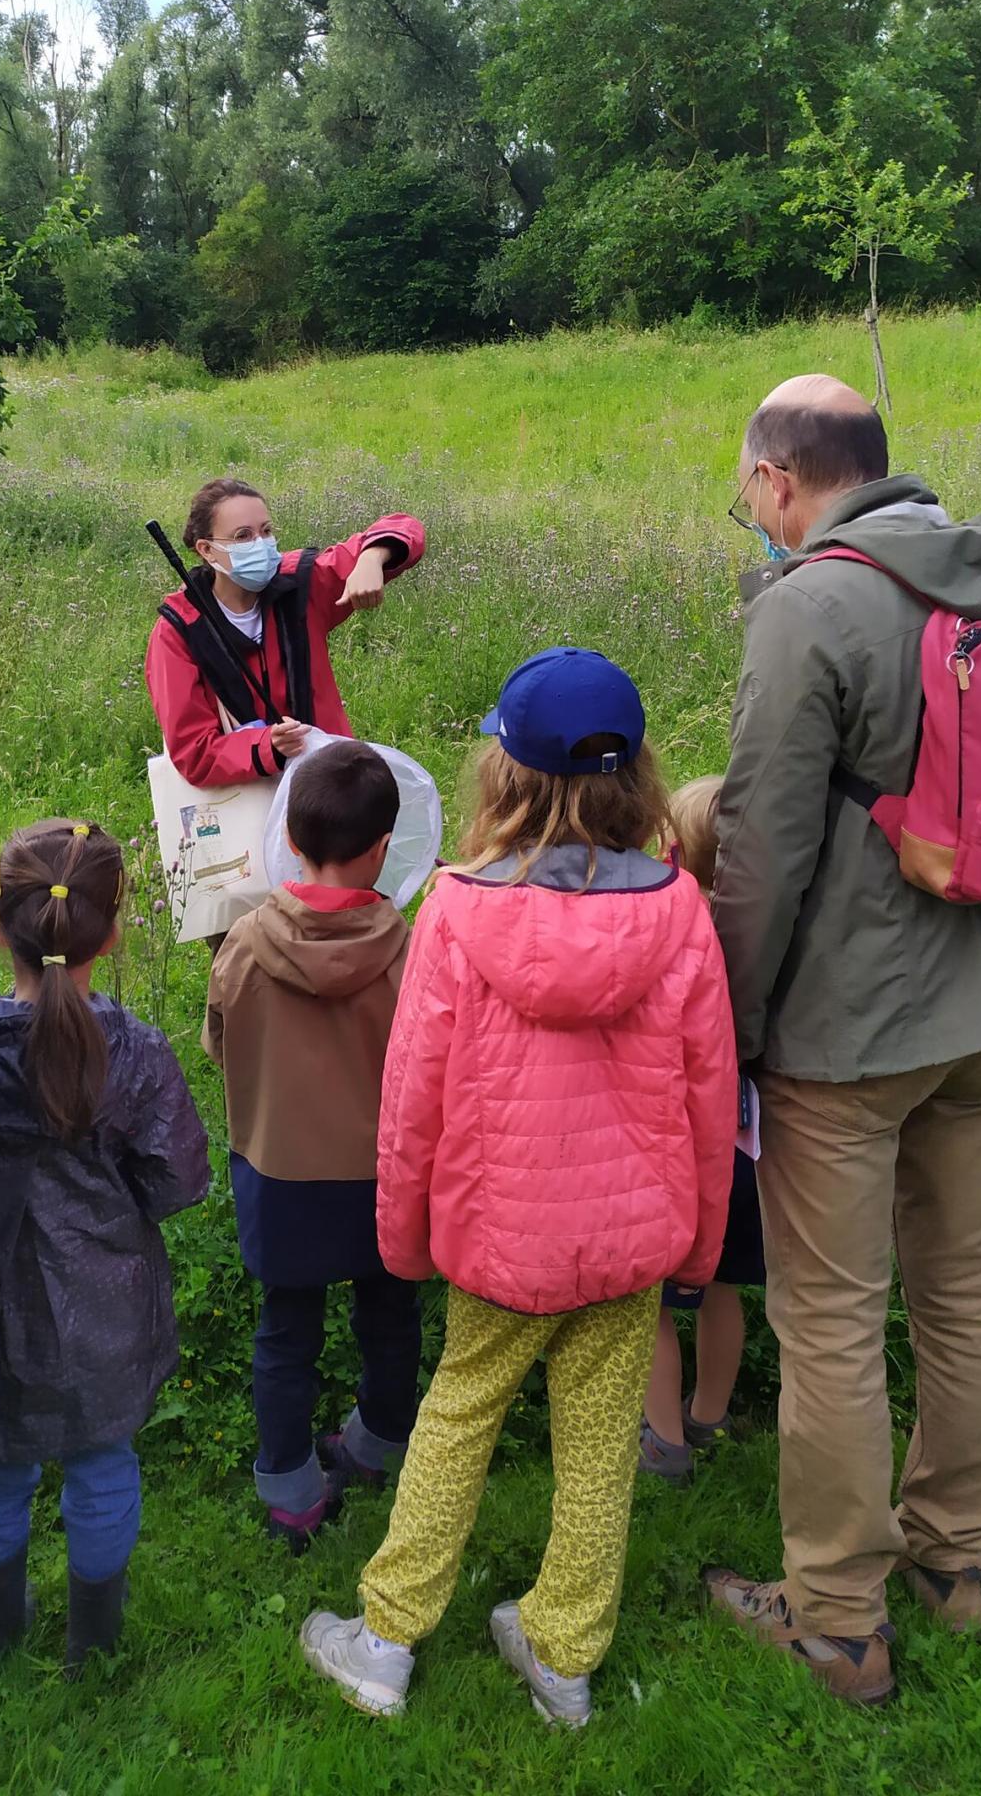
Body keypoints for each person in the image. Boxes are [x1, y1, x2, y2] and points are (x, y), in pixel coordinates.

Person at [301, 649, 737, 1726]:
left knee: (456, 1417)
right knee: (598, 1447)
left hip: (500, 1237)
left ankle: (385, 1643)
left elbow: (413, 1097)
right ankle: (563, 1657)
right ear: (636, 776)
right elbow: (708, 1093)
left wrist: (402, 1237)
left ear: (503, 772)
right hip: (631, 1237)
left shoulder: (455, 909)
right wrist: (699, 1245)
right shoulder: (680, 907)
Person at [705, 374, 981, 1706]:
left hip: (846, 1031)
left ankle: (835, 1617)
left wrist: (730, 1028)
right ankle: (958, 1560)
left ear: (778, 479)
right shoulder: (978, 575)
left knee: (827, 1321)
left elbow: (759, 846)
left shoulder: (808, 604)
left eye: (746, 493)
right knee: (965, 1293)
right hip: (977, 1011)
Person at [0, 819, 209, 1672]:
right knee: (103, 1461)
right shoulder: (137, 1051)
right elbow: (177, 1180)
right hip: (110, 1301)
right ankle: (94, 1646)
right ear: (113, 933)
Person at [203, 741, 421, 1551]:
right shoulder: (410, 949)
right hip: (381, 1176)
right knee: (389, 1317)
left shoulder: (243, 944)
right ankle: (379, 1444)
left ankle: (290, 1491)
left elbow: (218, 1045)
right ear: (383, 848)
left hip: (280, 1171)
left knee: (285, 1332)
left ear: (289, 840)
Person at [640, 777, 765, 1482]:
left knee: (651, 1303)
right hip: (746, 1147)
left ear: (674, 850)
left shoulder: (671, 930)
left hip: (676, 1143)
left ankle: (663, 1441)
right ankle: (709, 1416)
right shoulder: (764, 934)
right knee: (724, 1288)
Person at [145, 477, 425, 786]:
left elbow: (405, 526)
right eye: (243, 536)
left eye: (266, 531)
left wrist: (372, 557)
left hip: (334, 785)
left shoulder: (300, 584)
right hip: (249, 799)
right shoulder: (179, 631)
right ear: (207, 550)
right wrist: (269, 746)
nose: (261, 544)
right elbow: (194, 752)